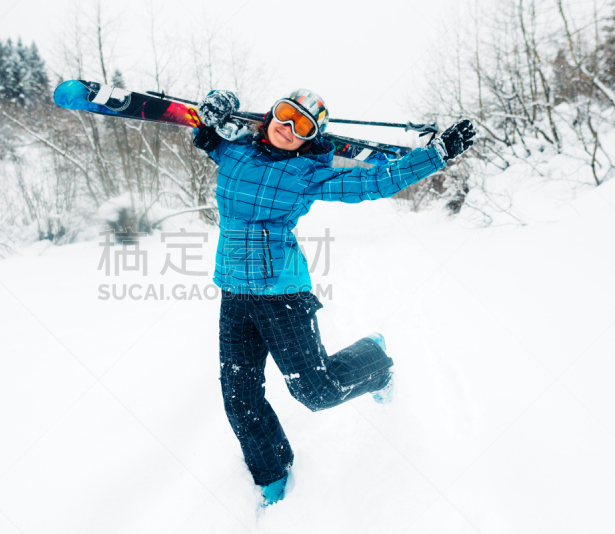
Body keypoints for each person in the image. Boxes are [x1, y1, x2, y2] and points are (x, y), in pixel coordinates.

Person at [193, 88, 475, 507]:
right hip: (233, 293)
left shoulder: (308, 174)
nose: (288, 129)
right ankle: (272, 473)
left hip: (282, 295)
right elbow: (204, 126)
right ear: (271, 114)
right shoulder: (232, 151)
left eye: (302, 126)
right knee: (238, 397)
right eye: (285, 116)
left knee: (316, 391)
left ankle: (375, 361)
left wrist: (435, 155)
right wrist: (216, 104)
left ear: (311, 137)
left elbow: (376, 181)